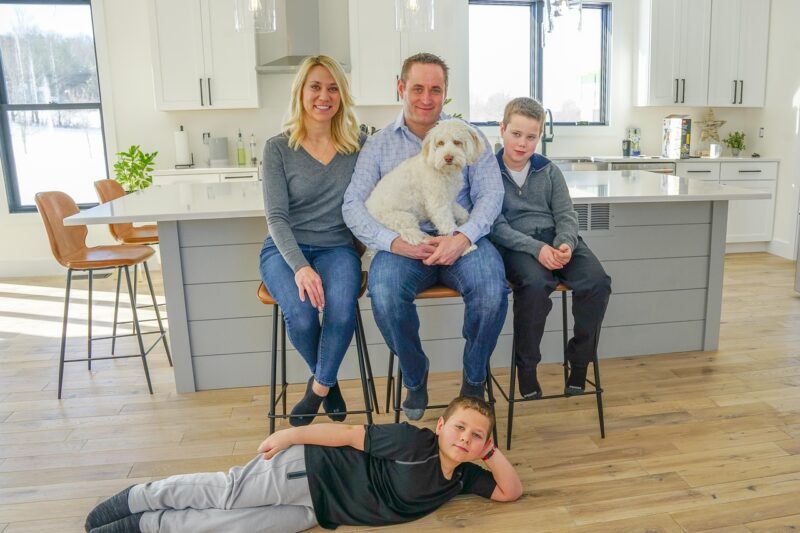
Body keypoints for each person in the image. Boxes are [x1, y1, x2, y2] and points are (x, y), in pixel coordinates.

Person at [342, 53, 508, 421]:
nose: (426, 98)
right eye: (417, 88)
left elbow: (491, 195)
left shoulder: (468, 136)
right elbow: (353, 205)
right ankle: (415, 377)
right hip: (404, 244)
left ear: (445, 92)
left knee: (492, 291)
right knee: (385, 295)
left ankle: (473, 381)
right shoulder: (378, 145)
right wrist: (395, 243)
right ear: (400, 88)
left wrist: (461, 237)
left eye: (435, 89)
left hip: (461, 240)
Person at [84, 396, 523, 533]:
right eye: (460, 428)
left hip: (320, 510)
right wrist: (290, 434)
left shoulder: (462, 477)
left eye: (476, 436)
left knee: (233, 527)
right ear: (442, 425)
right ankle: (138, 498)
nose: (465, 439)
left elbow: (510, 492)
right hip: (310, 469)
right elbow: (349, 434)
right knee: (227, 493)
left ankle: (149, 525)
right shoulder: (414, 441)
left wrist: (490, 454)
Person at [258, 55, 365, 426]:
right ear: (300, 92)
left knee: (341, 310)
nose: (324, 96)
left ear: (342, 95)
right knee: (302, 317)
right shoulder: (277, 149)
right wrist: (301, 267)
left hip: (338, 248)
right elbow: (276, 218)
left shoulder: (359, 145)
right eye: (315, 87)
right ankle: (328, 382)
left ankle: (318, 387)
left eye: (333, 88)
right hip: (285, 250)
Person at [490, 97, 612, 399]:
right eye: (516, 134)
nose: (522, 143)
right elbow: (496, 227)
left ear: (540, 136)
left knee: (597, 283)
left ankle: (580, 363)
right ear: (502, 130)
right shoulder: (487, 172)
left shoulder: (549, 170)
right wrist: (537, 249)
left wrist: (565, 244)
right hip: (518, 245)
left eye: (531, 137)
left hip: (557, 239)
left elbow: (567, 215)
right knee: (535, 285)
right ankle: (527, 368)